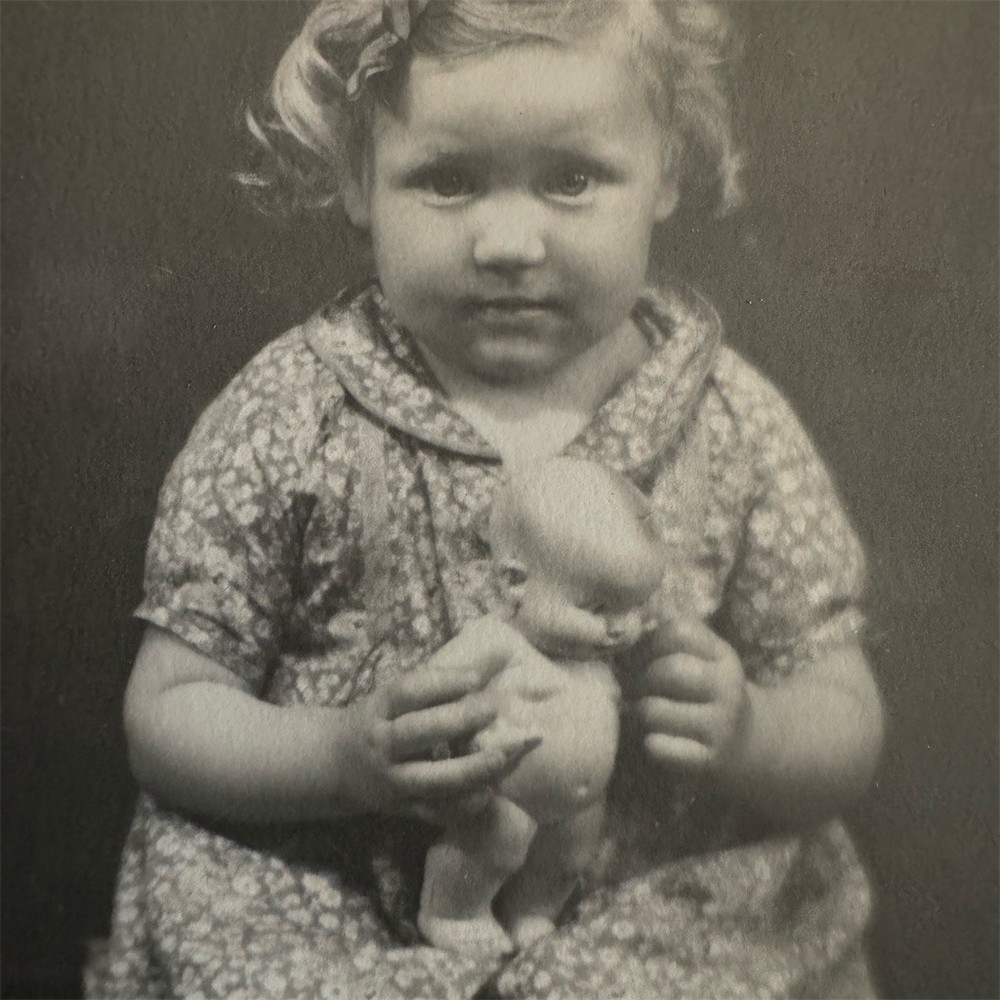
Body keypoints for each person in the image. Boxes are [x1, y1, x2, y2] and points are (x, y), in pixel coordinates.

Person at [86, 2, 885, 997]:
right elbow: (165, 712)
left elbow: (841, 706)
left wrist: (755, 732)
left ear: (667, 171)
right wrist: (338, 756)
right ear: (357, 178)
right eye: (449, 179)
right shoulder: (293, 414)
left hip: (641, 926)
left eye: (571, 178)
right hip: (330, 912)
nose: (508, 240)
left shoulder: (728, 420)